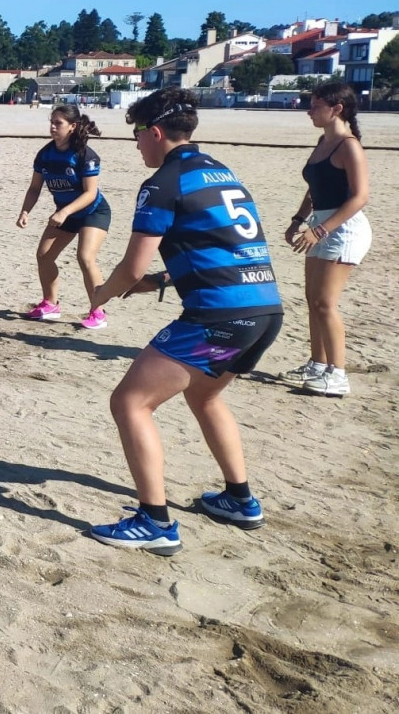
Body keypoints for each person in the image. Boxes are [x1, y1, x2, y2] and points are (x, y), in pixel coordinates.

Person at [87, 88, 283, 555]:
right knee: (206, 395)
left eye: (136, 135)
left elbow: (130, 267)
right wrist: (159, 281)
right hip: (265, 311)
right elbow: (217, 248)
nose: (136, 146)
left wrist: (102, 295)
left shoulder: (163, 182)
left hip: (218, 318)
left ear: (155, 133)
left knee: (130, 403)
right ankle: (239, 500)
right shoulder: (220, 172)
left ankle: (154, 522)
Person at [280, 82, 371, 397]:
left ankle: (338, 374)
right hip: (319, 224)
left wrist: (320, 229)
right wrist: (298, 220)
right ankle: (318, 364)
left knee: (325, 303)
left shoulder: (349, 146)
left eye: (315, 105)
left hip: (342, 228)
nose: (308, 110)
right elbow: (314, 186)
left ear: (337, 108)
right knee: (312, 300)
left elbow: (360, 197)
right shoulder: (324, 141)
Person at [16, 104, 111, 329]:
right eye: (51, 121)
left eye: (58, 123)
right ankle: (50, 304)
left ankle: (98, 312)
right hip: (65, 214)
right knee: (44, 255)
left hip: (92, 212)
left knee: (85, 257)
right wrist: (25, 211)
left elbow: (90, 194)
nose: (52, 127)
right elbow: (34, 188)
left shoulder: (85, 155)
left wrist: (65, 211)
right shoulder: (45, 154)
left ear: (72, 126)